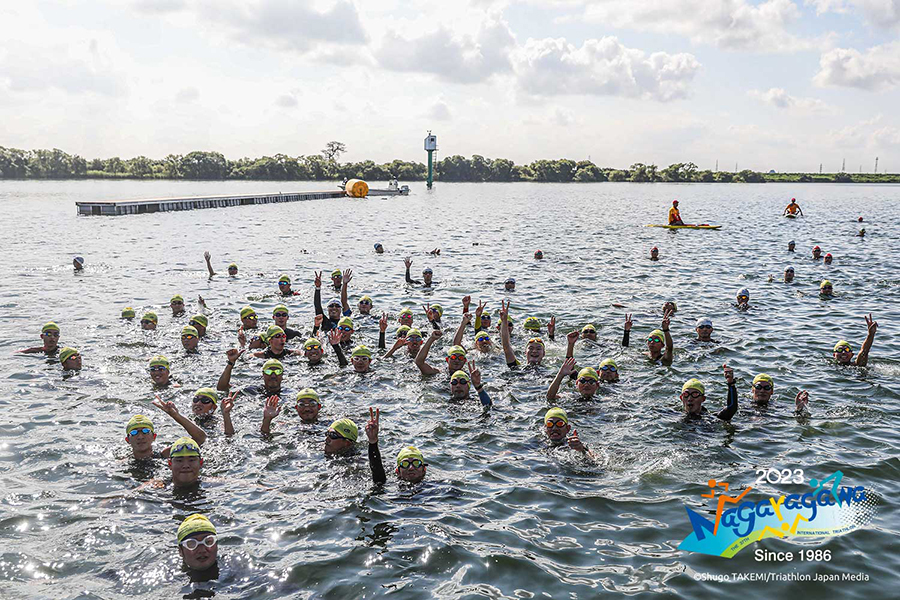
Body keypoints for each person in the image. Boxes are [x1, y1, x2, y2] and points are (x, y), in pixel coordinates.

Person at [125, 396, 207, 460]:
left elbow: (200, 438)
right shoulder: (122, 463)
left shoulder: (165, 455)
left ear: (154, 437)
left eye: (145, 431)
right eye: (134, 432)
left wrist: (176, 416)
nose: (140, 437)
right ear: (127, 440)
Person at [366, 408, 427, 485]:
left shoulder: (435, 488)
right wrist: (373, 442)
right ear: (398, 472)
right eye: (405, 464)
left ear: (424, 470)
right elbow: (378, 476)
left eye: (416, 463)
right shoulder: (392, 488)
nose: (411, 468)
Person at [259, 389, 323, 434]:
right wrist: (267, 419)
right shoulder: (289, 426)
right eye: (301, 404)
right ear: (296, 408)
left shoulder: (328, 425)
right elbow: (266, 437)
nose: (307, 409)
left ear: (319, 407)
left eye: (312, 404)